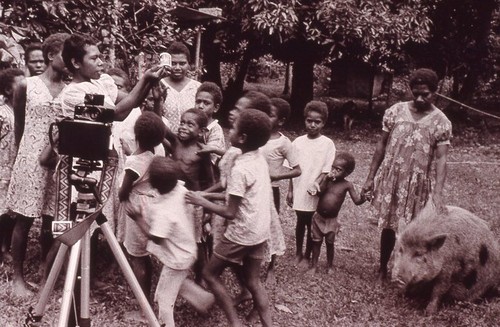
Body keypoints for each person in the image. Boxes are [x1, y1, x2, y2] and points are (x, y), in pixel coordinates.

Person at [361, 68, 452, 281]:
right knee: (389, 226)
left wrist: (437, 192)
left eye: (426, 94)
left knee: (414, 230)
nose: (420, 98)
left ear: (435, 92)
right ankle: (383, 266)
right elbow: (381, 145)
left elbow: (441, 159)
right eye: (415, 93)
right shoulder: (395, 112)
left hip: (417, 184)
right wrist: (370, 177)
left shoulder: (441, 122)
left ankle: (406, 271)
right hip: (393, 178)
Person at [186, 109, 273, 327]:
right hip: (260, 230)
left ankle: (235, 322)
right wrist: (205, 194)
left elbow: (230, 211)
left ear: (242, 138)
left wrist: (202, 202)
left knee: (209, 273)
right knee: (253, 280)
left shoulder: (240, 168)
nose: (229, 130)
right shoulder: (258, 159)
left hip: (241, 234)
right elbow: (236, 196)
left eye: (233, 128)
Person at [6, 32, 70, 296]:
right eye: (68, 55)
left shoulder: (71, 90)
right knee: (24, 218)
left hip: (58, 160)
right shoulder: (26, 86)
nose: (72, 61)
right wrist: (26, 156)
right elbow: (19, 125)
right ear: (52, 55)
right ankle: (18, 278)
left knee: (50, 219)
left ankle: (47, 275)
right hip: (30, 158)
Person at [135, 156, 214, 326]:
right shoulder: (179, 189)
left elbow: (156, 237)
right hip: (186, 251)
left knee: (163, 299)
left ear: (153, 184)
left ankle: (165, 323)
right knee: (172, 282)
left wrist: (138, 218)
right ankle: (202, 297)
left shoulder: (164, 212)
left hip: (177, 259)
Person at [119, 111, 166, 307]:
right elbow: (143, 165)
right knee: (149, 252)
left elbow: (124, 191)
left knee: (137, 256)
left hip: (137, 207)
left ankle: (143, 303)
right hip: (153, 203)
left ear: (136, 135)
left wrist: (123, 199)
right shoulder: (156, 152)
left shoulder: (133, 163)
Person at [287, 100, 336, 268]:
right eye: (309, 121)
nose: (313, 125)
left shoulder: (327, 144)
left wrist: (316, 185)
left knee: (312, 223)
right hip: (300, 186)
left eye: (317, 122)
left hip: (315, 190)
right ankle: (298, 252)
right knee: (300, 221)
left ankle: (308, 254)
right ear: (304, 120)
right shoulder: (297, 142)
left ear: (323, 123)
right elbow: (293, 168)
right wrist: (290, 190)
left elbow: (326, 169)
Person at [170, 108, 215, 283]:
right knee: (178, 238)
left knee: (197, 243)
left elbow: (210, 181)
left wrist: (207, 209)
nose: (183, 127)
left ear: (202, 131)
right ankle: (179, 273)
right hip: (175, 199)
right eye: (182, 122)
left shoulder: (202, 152)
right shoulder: (174, 142)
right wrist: (158, 100)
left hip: (194, 203)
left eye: (190, 124)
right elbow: (159, 124)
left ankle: (200, 279)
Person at [259, 97, 301, 283]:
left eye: (270, 115)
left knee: (271, 227)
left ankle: (271, 267)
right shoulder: (256, 135)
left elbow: (297, 169)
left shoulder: (284, 143)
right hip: (252, 189)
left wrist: (277, 176)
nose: (265, 117)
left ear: (281, 121)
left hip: (270, 191)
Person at [307, 152, 366, 275]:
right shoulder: (327, 180)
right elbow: (319, 192)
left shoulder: (347, 185)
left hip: (332, 220)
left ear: (347, 172)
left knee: (330, 243)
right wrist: (325, 179)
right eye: (333, 167)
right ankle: (314, 265)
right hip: (319, 217)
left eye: (338, 169)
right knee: (316, 242)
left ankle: (330, 265)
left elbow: (356, 201)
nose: (333, 171)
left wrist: (364, 197)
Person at [0, 68, 25, 264]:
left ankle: (5, 246)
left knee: (10, 212)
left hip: (15, 166)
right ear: (8, 90)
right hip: (2, 167)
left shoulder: (21, 111)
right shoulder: (2, 113)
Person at [160, 41, 201, 133]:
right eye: (173, 63)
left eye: (182, 63)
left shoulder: (197, 88)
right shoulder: (159, 86)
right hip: (163, 140)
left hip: (190, 143)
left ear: (188, 64)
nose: (177, 67)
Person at [195, 81, 226, 165]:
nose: (200, 106)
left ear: (216, 108)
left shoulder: (215, 130)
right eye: (198, 101)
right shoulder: (191, 123)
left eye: (206, 103)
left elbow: (211, 159)